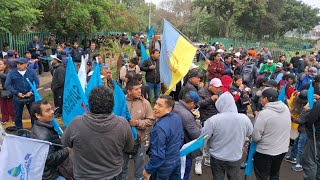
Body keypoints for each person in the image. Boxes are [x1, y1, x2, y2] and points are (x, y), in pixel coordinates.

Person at [62, 86, 134, 179]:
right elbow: (129, 147)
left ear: (90, 103)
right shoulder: (122, 123)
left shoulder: (76, 123)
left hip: (84, 176)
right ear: (112, 104)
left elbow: (65, 142)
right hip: (113, 174)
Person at [202, 92, 253, 179]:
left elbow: (203, 136)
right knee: (234, 177)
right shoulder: (244, 119)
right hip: (235, 156)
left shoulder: (213, 120)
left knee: (217, 177)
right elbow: (250, 133)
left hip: (217, 156)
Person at [118, 81, 155, 180]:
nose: (140, 91)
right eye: (136, 89)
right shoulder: (121, 102)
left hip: (139, 142)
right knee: (121, 169)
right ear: (129, 91)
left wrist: (138, 123)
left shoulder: (145, 103)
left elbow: (151, 120)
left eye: (140, 88)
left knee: (139, 170)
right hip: (122, 143)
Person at [252, 88, 291, 180]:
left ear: (265, 99)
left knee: (262, 175)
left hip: (265, 151)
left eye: (261, 97)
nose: (260, 99)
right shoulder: (285, 108)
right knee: (274, 174)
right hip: (282, 149)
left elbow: (256, 136)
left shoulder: (263, 114)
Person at [143, 95, 184, 180]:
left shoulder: (159, 128)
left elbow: (158, 156)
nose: (155, 107)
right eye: (156, 104)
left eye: (160, 106)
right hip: (176, 159)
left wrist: (148, 170)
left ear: (169, 109)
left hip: (163, 166)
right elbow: (181, 138)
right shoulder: (177, 117)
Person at [30, 101, 70, 180]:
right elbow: (49, 158)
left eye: (51, 109)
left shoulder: (42, 126)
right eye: (47, 110)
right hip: (50, 175)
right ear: (38, 115)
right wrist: (67, 150)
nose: (52, 112)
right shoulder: (42, 135)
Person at [173, 91, 202, 179]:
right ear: (192, 103)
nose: (194, 107)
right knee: (183, 173)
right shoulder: (187, 115)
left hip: (173, 146)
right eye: (195, 105)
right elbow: (196, 134)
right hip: (183, 148)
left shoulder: (175, 105)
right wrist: (197, 122)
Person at [5, 57, 39, 129]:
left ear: (26, 65)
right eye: (17, 63)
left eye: (21, 64)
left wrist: (31, 92)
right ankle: (19, 129)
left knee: (33, 114)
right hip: (17, 98)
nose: (19, 65)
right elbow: (7, 85)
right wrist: (17, 93)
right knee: (17, 115)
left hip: (30, 97)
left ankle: (35, 129)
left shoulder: (32, 72)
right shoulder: (12, 73)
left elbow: (37, 83)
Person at [284, 90, 308, 172]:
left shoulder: (307, 108)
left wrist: (292, 118)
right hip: (302, 129)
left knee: (301, 147)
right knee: (297, 143)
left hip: (305, 130)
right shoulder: (308, 104)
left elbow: (301, 120)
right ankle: (293, 157)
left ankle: (300, 164)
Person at [302, 97, 320, 180]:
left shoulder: (318, 104)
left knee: (310, 162)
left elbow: (310, 120)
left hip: (315, 137)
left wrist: (306, 111)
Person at [0, 59, 14, 124]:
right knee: (3, 107)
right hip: (1, 92)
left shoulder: (9, 71)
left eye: (0, 64)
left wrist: (0, 74)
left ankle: (14, 119)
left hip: (8, 91)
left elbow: (9, 78)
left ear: (5, 65)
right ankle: (5, 119)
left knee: (11, 106)